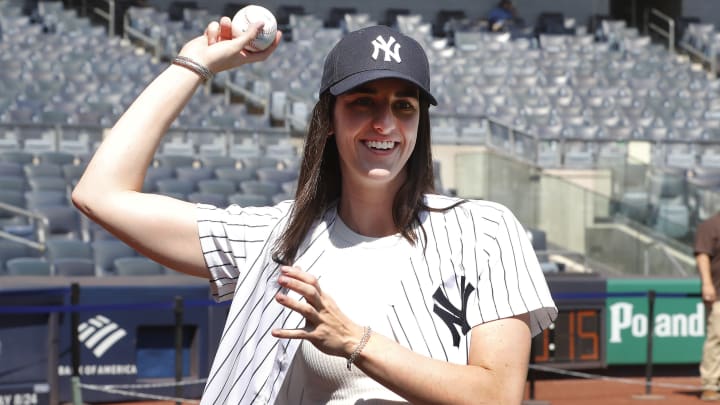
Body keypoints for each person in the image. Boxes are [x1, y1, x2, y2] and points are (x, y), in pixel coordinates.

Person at [72, 17, 557, 404]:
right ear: (329, 120)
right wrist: (195, 64)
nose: (384, 122)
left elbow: (498, 394)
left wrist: (356, 342)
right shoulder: (274, 239)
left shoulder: (484, 230)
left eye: (403, 106)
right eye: (363, 102)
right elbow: (100, 194)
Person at [695, 213, 720, 401]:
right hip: (718, 292)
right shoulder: (711, 224)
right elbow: (703, 255)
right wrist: (706, 283)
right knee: (716, 337)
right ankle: (710, 384)